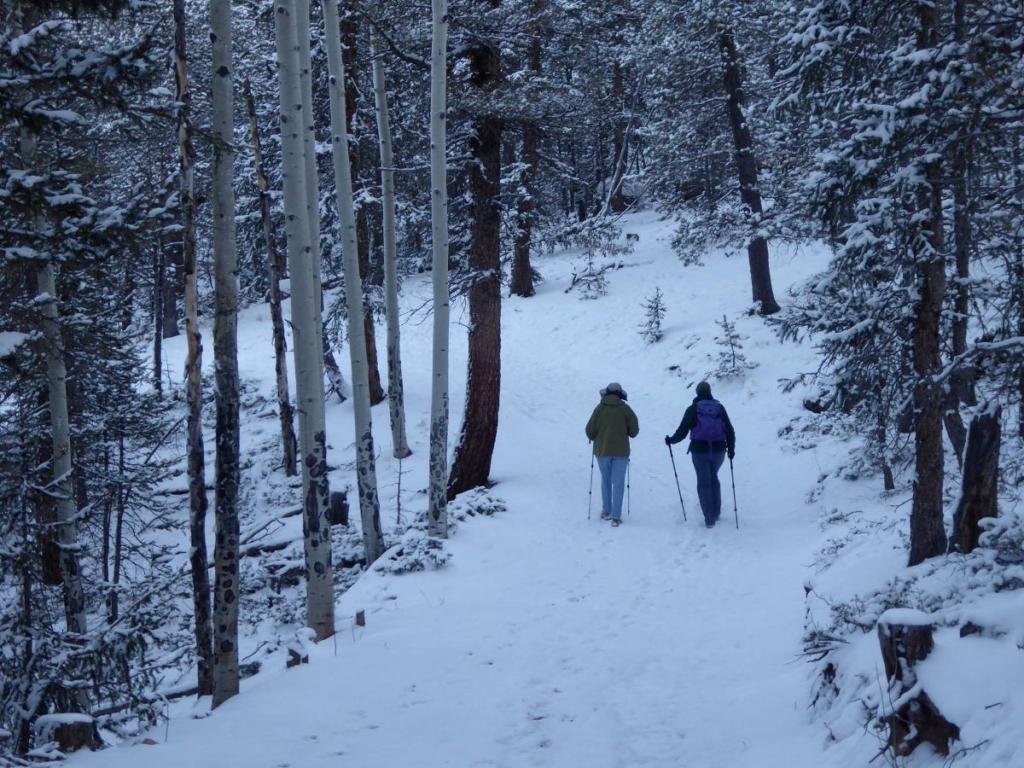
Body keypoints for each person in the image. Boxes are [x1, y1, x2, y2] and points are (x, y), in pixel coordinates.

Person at [664, 381, 736, 528]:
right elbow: (729, 430)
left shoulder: (693, 409)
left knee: (704, 482)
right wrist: (731, 449)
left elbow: (682, 431)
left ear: (697, 393)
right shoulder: (719, 408)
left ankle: (709, 519)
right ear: (710, 392)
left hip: (699, 450)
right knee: (714, 478)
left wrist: (671, 440)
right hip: (719, 450)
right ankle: (716, 512)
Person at [585, 382, 639, 527]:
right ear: (620, 394)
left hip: (602, 451)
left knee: (606, 480)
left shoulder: (599, 408)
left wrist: (596, 436)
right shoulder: (625, 409)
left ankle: (606, 510)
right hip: (621, 452)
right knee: (619, 483)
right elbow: (634, 432)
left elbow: (589, 430)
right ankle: (616, 516)